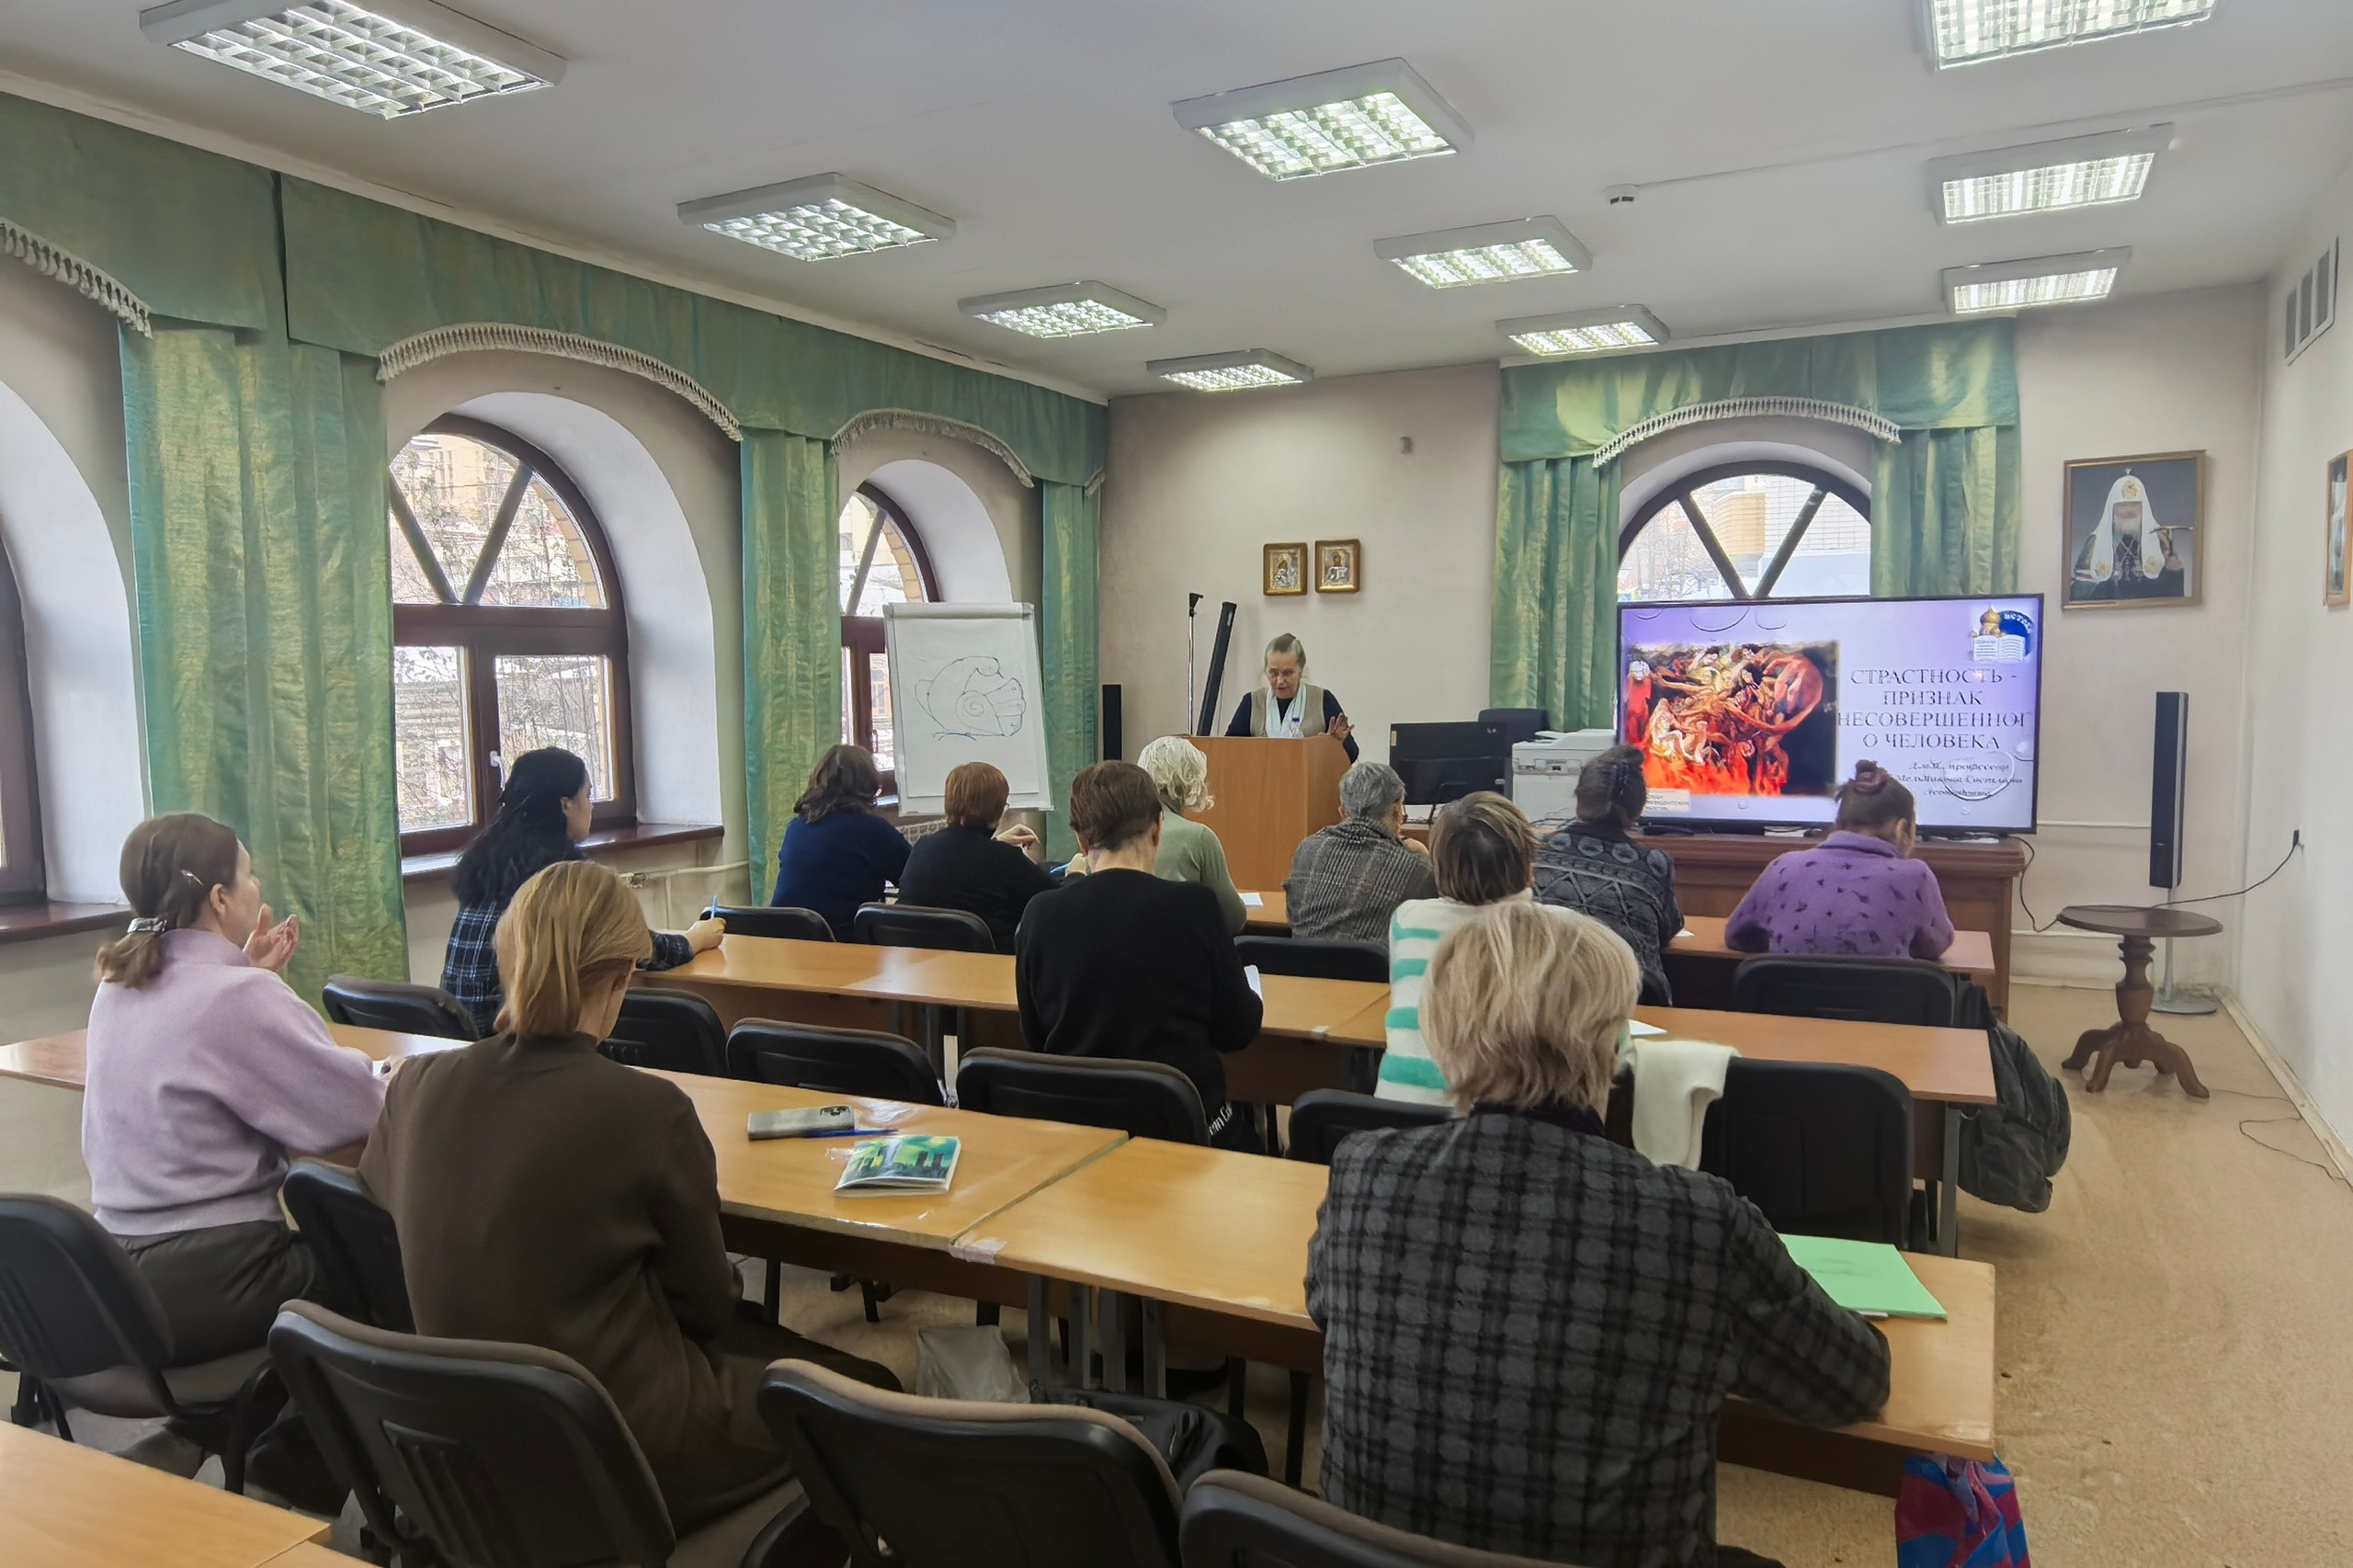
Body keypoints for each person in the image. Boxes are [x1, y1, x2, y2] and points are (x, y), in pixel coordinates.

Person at [1310, 900, 1892, 1568]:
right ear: (1613, 1045)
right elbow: (1852, 1382)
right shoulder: (1697, 1220)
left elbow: (1324, 1307)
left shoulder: (1364, 1170)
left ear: (1441, 1032)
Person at [364, 860, 898, 1531]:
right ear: (623, 976)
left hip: (462, 1439)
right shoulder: (648, 1110)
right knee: (869, 1393)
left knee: (784, 1358)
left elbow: (376, 1217)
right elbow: (708, 1305)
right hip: (617, 1441)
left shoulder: (415, 1087)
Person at [82, 813, 384, 1368]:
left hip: (117, 1276)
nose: (257, 885)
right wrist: (386, 1072)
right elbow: (357, 1108)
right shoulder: (235, 996)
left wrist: (251, 976)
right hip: (214, 1277)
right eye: (249, 874)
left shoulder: (117, 985)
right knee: (389, 1271)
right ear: (220, 899)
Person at [1016, 762, 1264, 1152]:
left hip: (1078, 1141)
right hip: (1186, 1135)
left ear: (1082, 842)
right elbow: (1236, 1031)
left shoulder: (1039, 914)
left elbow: (1035, 1036)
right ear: (1157, 828)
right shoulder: (1195, 907)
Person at [442, 747, 721, 1037]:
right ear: (565, 804)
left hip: (458, 1036)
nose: (591, 807)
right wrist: (694, 939)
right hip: (510, 1040)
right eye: (587, 796)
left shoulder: (485, 859)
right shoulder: (563, 874)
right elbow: (638, 946)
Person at [1375, 790, 1558, 1107]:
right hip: (1490, 1124)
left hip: (1396, 1114)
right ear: (1528, 864)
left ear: (1438, 866)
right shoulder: (1559, 930)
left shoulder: (1407, 919)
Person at [1725, 760, 1955, 960]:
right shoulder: (1916, 877)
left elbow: (1736, 935)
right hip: (1882, 998)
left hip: (1788, 997)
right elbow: (1936, 945)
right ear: (1901, 828)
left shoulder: (1783, 867)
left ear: (1837, 824)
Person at [1533, 744, 1684, 1005]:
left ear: (1579, 799)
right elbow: (1668, 930)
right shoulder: (1654, 864)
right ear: (1639, 807)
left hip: (1544, 1003)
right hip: (1630, 1004)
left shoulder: (1535, 853)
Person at [894, 760, 1055, 952]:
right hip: (992, 965)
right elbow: (1058, 902)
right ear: (996, 811)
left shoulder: (922, 847)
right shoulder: (1003, 859)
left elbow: (963, 858)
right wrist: (1076, 873)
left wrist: (996, 843)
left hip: (920, 965)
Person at [1282, 759, 1436, 945]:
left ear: (1343, 813)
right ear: (1396, 811)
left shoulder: (1307, 850)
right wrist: (1425, 856)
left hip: (1301, 962)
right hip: (1374, 964)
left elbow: (1294, 917)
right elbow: (1435, 920)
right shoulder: (1415, 868)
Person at [770, 744, 911, 938]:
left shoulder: (796, 827)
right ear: (869, 783)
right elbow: (915, 880)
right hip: (842, 943)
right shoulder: (873, 830)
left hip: (782, 940)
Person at [1134, 734, 1246, 935]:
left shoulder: (1115, 832)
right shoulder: (1199, 837)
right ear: (1191, 779)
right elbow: (1232, 919)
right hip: (1180, 950)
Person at [1223, 633, 1358, 762]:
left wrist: (1334, 745)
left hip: (1311, 778)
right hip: (1261, 777)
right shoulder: (1252, 702)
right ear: (1265, 670)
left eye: (1287, 673)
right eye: (1273, 673)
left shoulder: (1322, 700)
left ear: (1300, 672)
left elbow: (1352, 753)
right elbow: (1228, 750)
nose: (1280, 681)